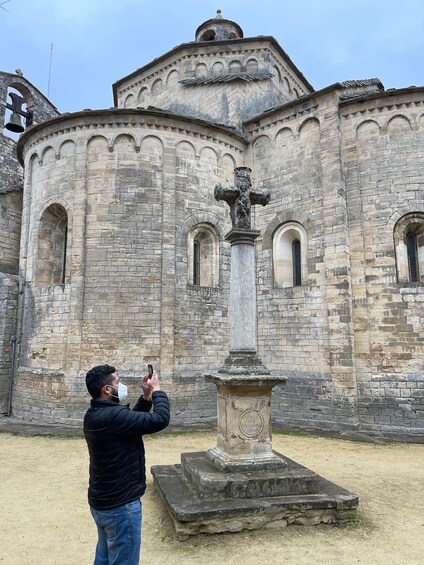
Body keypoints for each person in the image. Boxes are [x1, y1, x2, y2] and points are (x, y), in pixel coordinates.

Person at [83, 364, 170, 565]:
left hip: (103, 503)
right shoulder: (113, 416)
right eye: (117, 381)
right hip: (120, 506)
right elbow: (160, 419)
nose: (120, 385)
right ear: (107, 389)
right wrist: (157, 391)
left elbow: (130, 424)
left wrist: (146, 396)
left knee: (104, 559)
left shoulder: (95, 414)